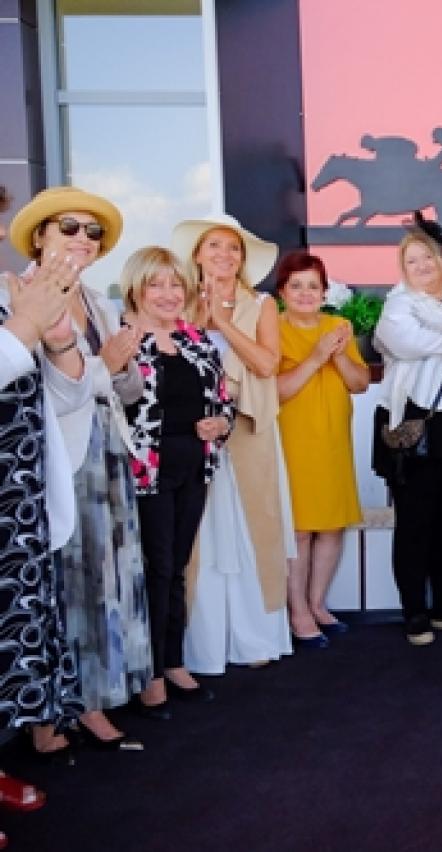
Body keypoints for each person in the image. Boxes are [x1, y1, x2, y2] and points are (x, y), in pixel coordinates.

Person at [8, 187, 151, 750]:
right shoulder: (17, 294)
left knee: (106, 575)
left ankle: (93, 695)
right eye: (69, 227)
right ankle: (52, 715)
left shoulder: (98, 302)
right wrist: (103, 367)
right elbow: (35, 389)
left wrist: (121, 369)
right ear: (39, 236)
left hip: (106, 448)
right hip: (50, 457)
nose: (82, 239)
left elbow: (124, 389)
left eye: (93, 232)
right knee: (61, 581)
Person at [172, 214, 296, 668]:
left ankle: (255, 638)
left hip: (247, 430)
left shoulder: (260, 304)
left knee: (253, 527)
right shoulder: (177, 300)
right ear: (197, 254)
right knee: (198, 533)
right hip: (191, 433)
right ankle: (201, 645)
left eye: (233, 247)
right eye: (215, 246)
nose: (224, 255)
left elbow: (266, 364)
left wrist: (223, 325)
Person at [119, 247, 234, 717]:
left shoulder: (197, 339)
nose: (168, 294)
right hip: (146, 468)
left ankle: (173, 661)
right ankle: (147, 672)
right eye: (156, 284)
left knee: (178, 564)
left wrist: (221, 423)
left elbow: (223, 400)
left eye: (175, 285)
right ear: (136, 289)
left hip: (194, 464)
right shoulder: (123, 339)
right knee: (156, 567)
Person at [0, 184, 91, 775]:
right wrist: (27, 325)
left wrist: (59, 345)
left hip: (22, 498)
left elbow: (60, 397)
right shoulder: (21, 304)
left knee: (17, 633)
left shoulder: (11, 292)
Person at [372, 219, 442, 645]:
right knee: (415, 522)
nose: (420, 267)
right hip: (411, 422)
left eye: (426, 258)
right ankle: (414, 610)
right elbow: (407, 344)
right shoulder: (397, 306)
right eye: (411, 261)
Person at [275, 250, 370, 643]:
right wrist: (316, 357)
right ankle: (297, 611)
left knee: (332, 526)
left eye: (313, 286)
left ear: (325, 291)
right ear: (282, 292)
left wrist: (339, 356)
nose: (305, 293)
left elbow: (359, 383)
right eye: (296, 285)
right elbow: (278, 391)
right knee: (298, 530)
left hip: (332, 439)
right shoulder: (274, 328)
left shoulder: (338, 326)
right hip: (293, 439)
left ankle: (317, 603)